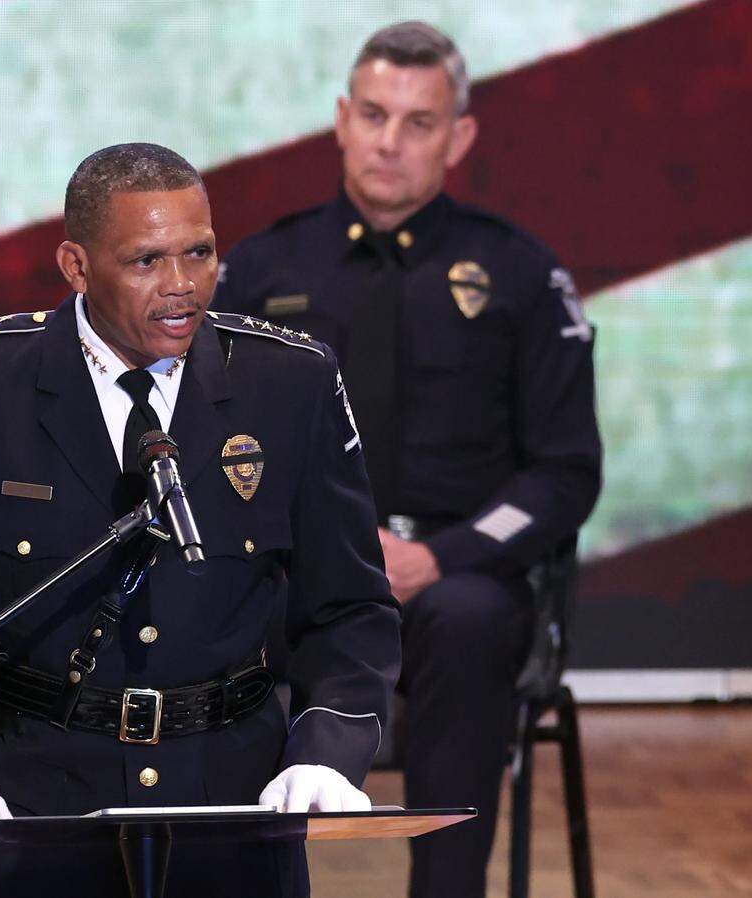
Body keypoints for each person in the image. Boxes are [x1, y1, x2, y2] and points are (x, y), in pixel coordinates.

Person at [0, 142, 401, 898]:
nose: (182, 287)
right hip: (25, 806)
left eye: (200, 253)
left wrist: (328, 747)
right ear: (75, 265)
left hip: (231, 804)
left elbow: (351, 607)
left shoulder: (290, 383)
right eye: (146, 261)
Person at [212, 23, 601, 898]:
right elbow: (203, 444)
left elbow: (565, 471)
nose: (390, 142)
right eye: (376, 115)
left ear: (459, 136)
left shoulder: (520, 273)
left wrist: (442, 555)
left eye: (419, 123)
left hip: (456, 577)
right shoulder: (260, 268)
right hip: (290, 574)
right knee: (204, 626)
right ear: (342, 120)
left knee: (464, 620)